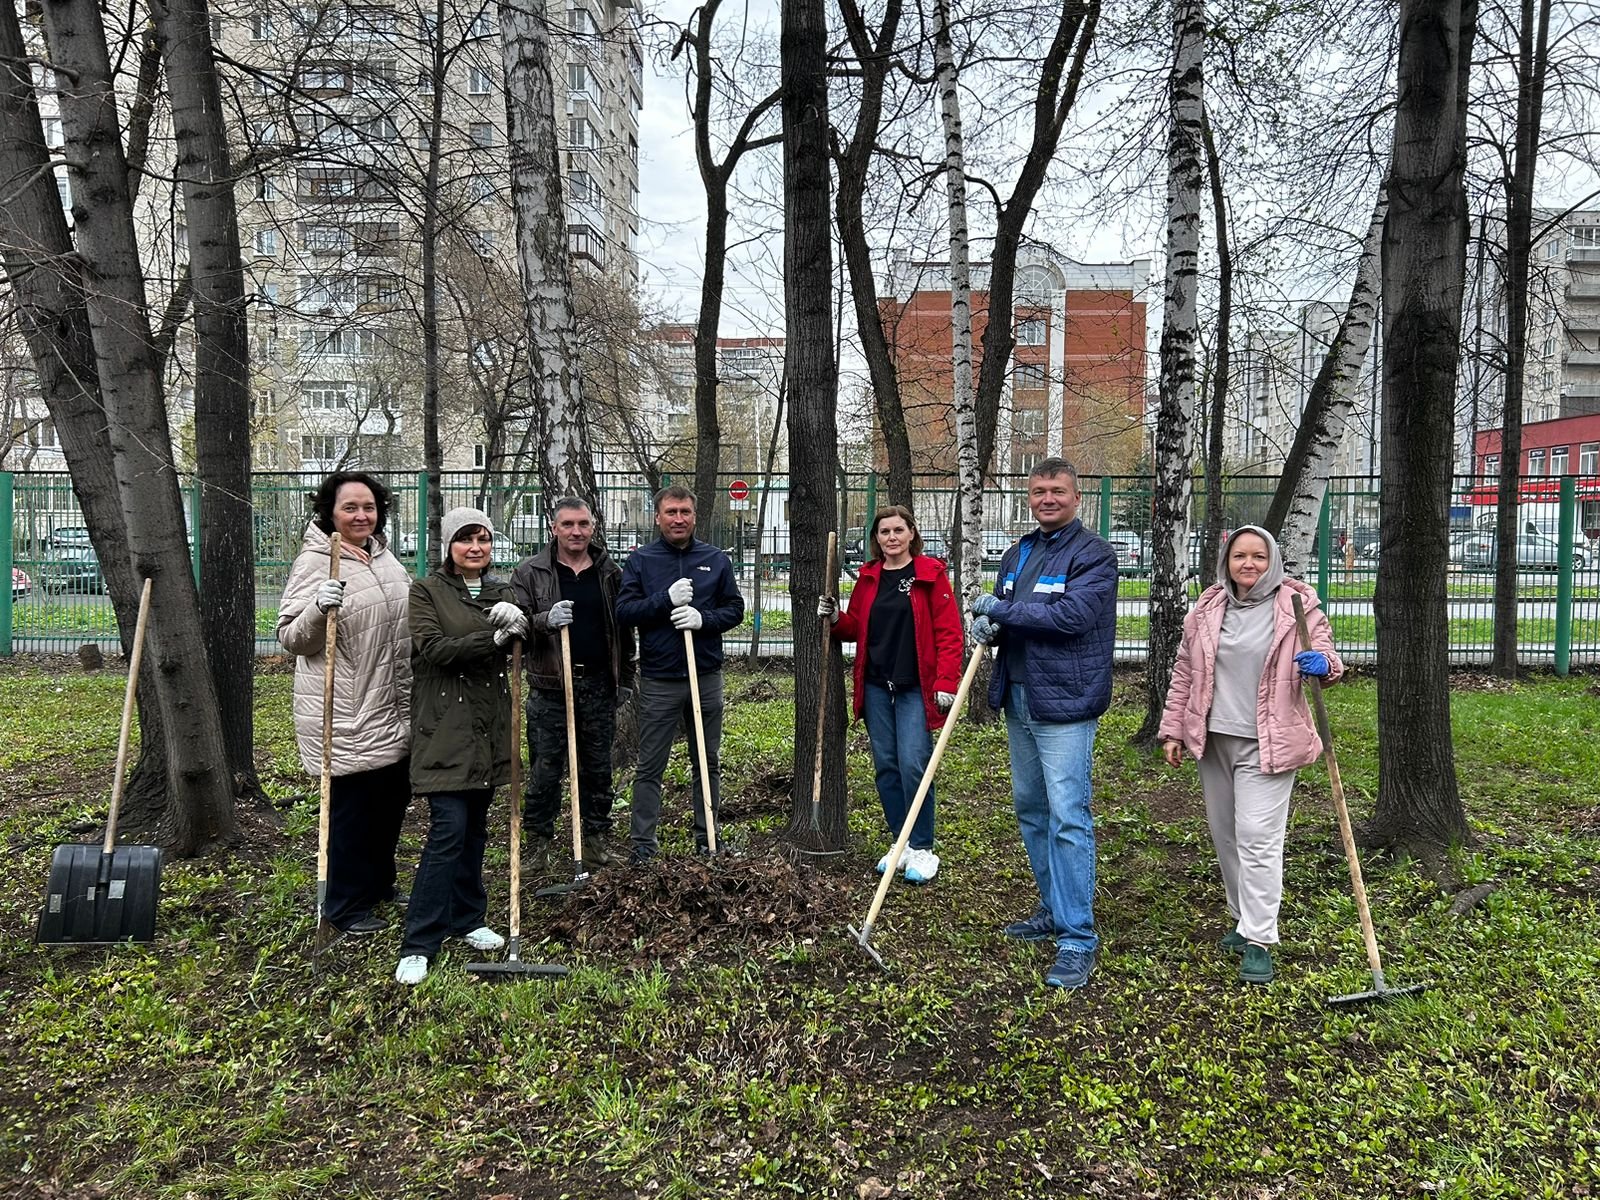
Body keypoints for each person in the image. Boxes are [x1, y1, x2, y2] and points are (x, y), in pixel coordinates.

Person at [1158, 525, 1342, 986]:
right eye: (1240, 556)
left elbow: (1326, 652)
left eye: (1259, 556)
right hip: (1214, 738)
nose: (1249, 564)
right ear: (1227, 560)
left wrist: (1325, 666)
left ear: (1273, 560)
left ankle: (1260, 938)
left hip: (1270, 741)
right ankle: (1243, 919)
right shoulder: (1208, 605)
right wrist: (1173, 729)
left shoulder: (1297, 604)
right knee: (1226, 836)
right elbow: (1185, 670)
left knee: (1258, 837)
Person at [969, 457, 1119, 990]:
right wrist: (991, 626)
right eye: (1038, 492)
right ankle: (1053, 910)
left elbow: (1070, 618)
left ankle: (1078, 937)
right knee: (1031, 809)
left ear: (1077, 498)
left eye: (1057, 491)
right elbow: (1014, 611)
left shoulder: (1094, 555)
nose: (1047, 499)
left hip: (1066, 705)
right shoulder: (1020, 552)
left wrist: (1002, 612)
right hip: (1019, 697)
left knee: (1067, 816)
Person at [394, 507, 528, 986]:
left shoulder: (502, 591)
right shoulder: (426, 591)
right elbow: (433, 650)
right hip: (446, 726)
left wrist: (526, 624)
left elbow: (521, 647)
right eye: (466, 539)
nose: (476, 548)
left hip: (489, 727)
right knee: (447, 830)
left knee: (474, 830)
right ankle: (419, 941)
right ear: (449, 546)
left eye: (484, 540)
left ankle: (467, 918)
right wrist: (495, 637)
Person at [278, 471, 412, 936]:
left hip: (392, 706)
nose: (361, 515)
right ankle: (344, 904)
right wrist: (317, 606)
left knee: (391, 803)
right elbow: (292, 637)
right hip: (347, 712)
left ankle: (379, 885)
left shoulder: (385, 557)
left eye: (369, 507)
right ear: (330, 512)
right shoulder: (316, 561)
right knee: (352, 814)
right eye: (350, 507)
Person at [817, 505, 962, 882]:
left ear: (912, 533)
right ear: (876, 539)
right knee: (886, 765)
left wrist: (947, 681)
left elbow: (949, 634)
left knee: (915, 763)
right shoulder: (869, 578)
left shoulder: (930, 575)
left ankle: (923, 846)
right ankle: (901, 843)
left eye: (899, 530)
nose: (892, 537)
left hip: (916, 686)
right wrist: (834, 618)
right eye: (884, 532)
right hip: (878, 686)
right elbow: (854, 628)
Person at [615, 485, 745, 862]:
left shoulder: (716, 559)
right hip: (660, 678)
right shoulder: (641, 561)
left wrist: (704, 619)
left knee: (707, 760)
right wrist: (664, 601)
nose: (678, 519)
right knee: (650, 762)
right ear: (658, 517)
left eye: (685, 512)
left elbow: (734, 609)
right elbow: (624, 612)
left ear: (694, 516)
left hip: (704, 675)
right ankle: (643, 846)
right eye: (670, 512)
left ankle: (708, 840)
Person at [512, 497, 636, 873]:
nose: (576, 531)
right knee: (545, 771)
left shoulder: (610, 572)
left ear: (593, 527)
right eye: (567, 524)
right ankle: (538, 845)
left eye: (583, 524)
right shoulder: (531, 572)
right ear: (554, 528)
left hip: (599, 685)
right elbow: (515, 624)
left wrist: (625, 679)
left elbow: (623, 630)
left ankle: (596, 840)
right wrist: (543, 620)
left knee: (598, 770)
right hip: (551, 686)